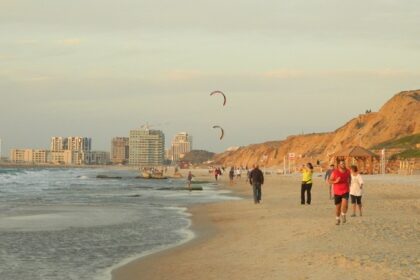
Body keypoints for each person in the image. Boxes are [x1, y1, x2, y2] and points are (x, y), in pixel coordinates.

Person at [329, 160, 351, 225]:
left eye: (344, 163)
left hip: (345, 190)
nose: (343, 165)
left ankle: (343, 214)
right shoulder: (335, 172)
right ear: (339, 165)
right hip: (337, 192)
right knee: (338, 208)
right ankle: (337, 218)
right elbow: (329, 180)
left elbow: (349, 178)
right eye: (341, 164)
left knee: (345, 205)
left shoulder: (348, 171)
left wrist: (349, 183)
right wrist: (335, 181)